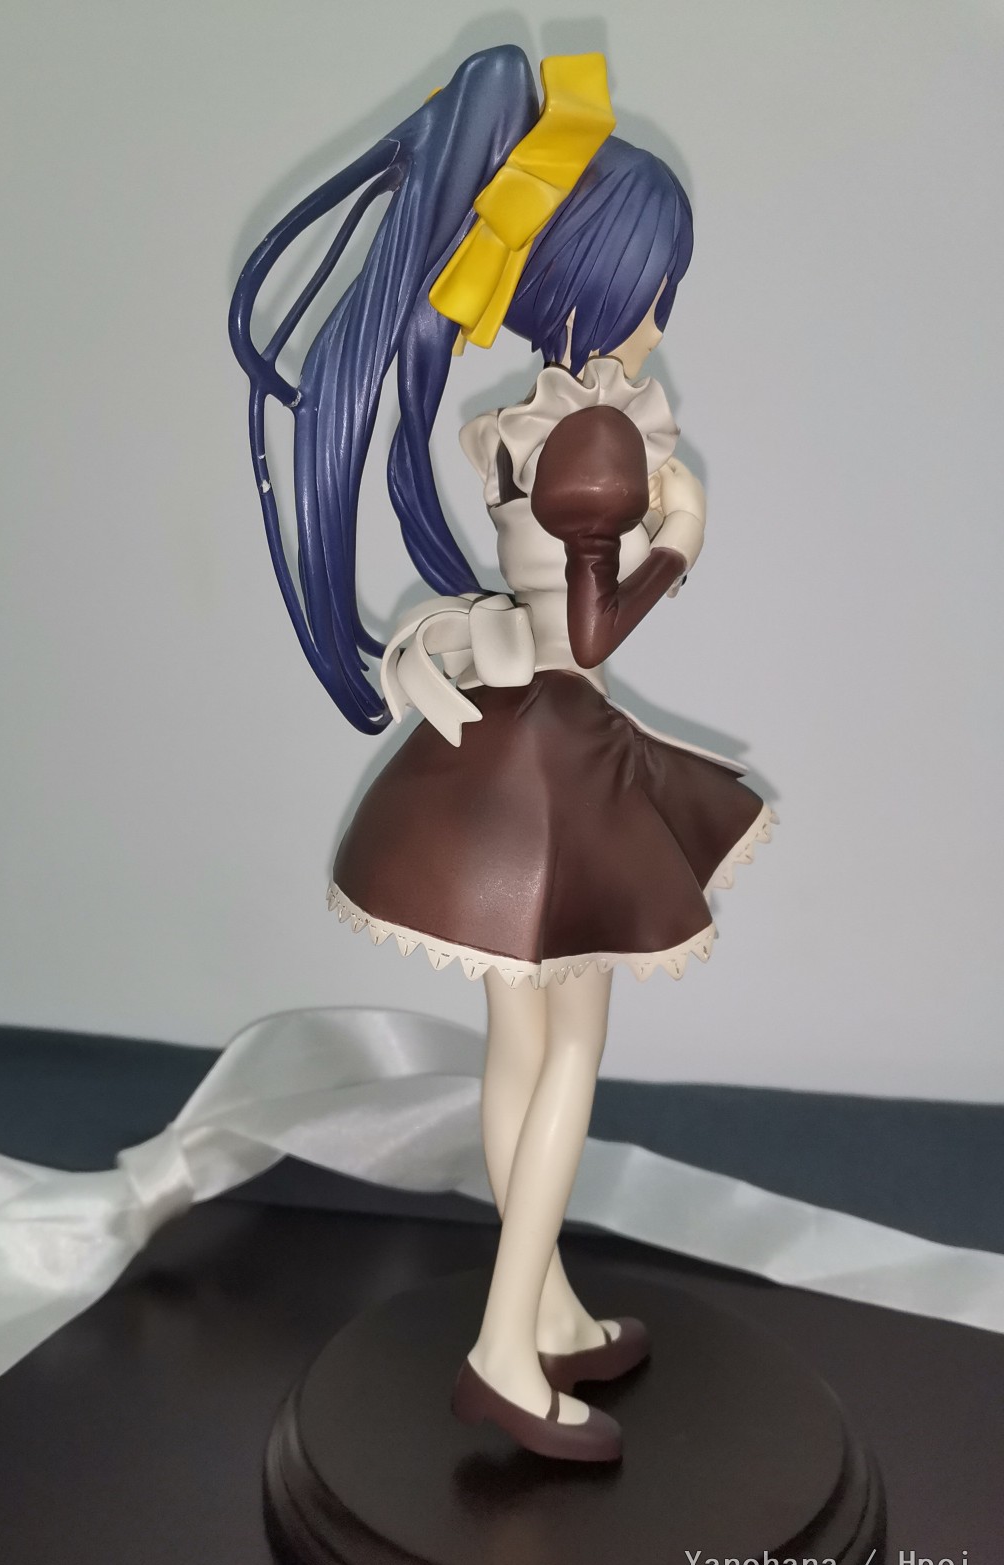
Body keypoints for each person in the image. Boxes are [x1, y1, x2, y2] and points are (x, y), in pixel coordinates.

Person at [230, 45, 775, 1462]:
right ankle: (500, 1349)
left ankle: (546, 1307)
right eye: (655, 283)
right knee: (567, 1047)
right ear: (602, 284)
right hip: (554, 765)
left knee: (521, 1041)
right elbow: (589, 632)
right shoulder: (596, 433)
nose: (662, 312)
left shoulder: (535, 427)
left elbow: (537, 607)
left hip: (513, 754)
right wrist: (682, 542)